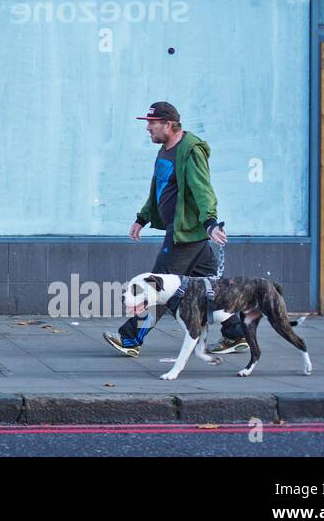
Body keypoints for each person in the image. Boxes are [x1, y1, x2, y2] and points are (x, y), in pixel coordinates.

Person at [103, 101, 248, 357]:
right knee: (211, 290)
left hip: (185, 236)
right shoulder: (165, 150)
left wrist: (211, 222)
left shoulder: (190, 151)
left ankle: (130, 339)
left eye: (152, 123)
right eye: (148, 123)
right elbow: (159, 190)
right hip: (190, 237)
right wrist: (142, 218)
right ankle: (236, 334)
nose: (148, 128)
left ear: (169, 125)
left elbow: (203, 190)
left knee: (156, 287)